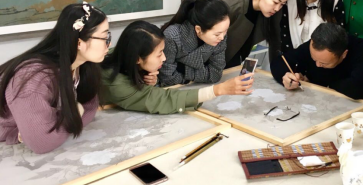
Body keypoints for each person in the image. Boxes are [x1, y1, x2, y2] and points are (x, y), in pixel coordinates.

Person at [0, 2, 110, 154]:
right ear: (79, 42)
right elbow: (41, 143)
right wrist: (74, 114)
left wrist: (65, 120)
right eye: (105, 37)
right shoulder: (33, 77)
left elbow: (90, 108)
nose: (109, 44)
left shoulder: (83, 66)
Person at [101, 21, 254, 114]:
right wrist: (218, 90)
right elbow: (163, 99)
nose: (164, 58)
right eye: (159, 54)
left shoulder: (122, 57)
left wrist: (146, 79)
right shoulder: (115, 83)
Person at [271, 23, 363, 102]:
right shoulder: (317, 44)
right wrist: (285, 76)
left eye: (323, 63)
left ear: (343, 54)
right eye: (314, 59)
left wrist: (316, 80)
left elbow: (356, 89)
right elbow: (280, 61)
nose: (317, 65)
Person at [218, 0, 290, 68]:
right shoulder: (230, 4)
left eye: (282, 4)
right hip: (211, 62)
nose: (277, 8)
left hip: (235, 63)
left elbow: (274, 44)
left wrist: (280, 72)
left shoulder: (271, 13)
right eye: (276, 2)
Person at [159, 0, 229, 86]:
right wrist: (201, 74)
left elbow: (215, 74)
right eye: (217, 34)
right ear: (198, 29)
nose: (222, 37)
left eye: (226, 30)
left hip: (198, 86)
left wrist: (183, 69)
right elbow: (167, 77)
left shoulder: (220, 36)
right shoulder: (172, 36)